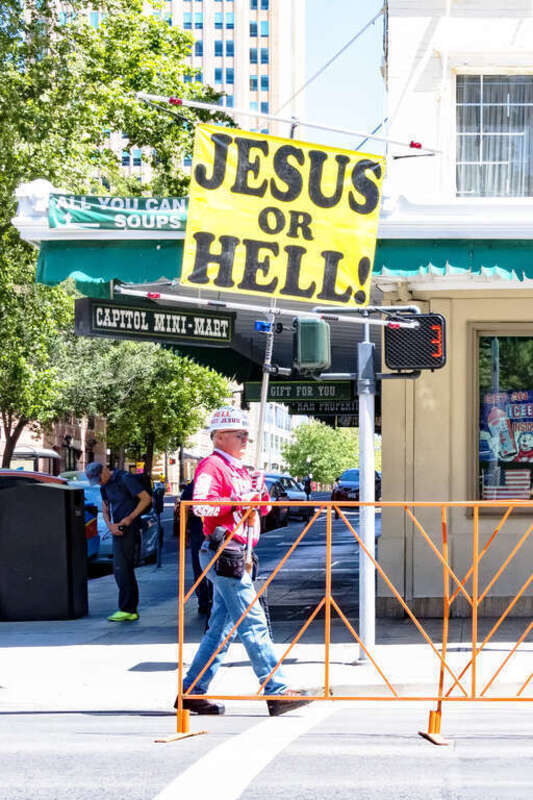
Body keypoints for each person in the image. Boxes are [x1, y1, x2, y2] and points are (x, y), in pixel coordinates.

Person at [175, 406, 313, 717]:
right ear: (220, 436)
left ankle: (193, 690)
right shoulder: (212, 467)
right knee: (252, 620)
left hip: (238, 553)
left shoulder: (242, 469)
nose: (246, 440)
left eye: (246, 434)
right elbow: (200, 507)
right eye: (240, 435)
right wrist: (240, 500)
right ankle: (276, 689)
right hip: (225, 551)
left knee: (222, 628)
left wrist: (258, 493)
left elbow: (262, 511)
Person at [86, 462, 152, 622]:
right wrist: (110, 525)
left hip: (130, 529)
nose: (99, 482)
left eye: (99, 478)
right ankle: (127, 608)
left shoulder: (125, 479)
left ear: (105, 470)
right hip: (117, 529)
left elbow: (146, 499)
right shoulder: (104, 487)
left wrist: (129, 518)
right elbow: (106, 506)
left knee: (124, 569)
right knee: (120, 570)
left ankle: (129, 609)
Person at [181, 479, 212, 615]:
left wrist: (185, 532)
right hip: (209, 531)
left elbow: (185, 510)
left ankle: (204, 602)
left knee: (200, 567)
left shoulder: (193, 486)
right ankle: (209, 600)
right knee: (214, 567)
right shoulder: (215, 481)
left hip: (199, 531)